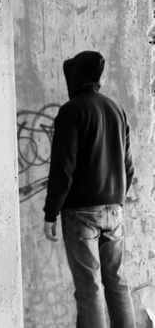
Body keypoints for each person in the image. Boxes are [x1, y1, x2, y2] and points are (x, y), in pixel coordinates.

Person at [43, 50, 136, 328]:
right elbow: (128, 166)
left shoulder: (71, 112)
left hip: (81, 214)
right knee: (117, 282)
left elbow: (63, 169)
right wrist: (116, 200)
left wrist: (51, 213)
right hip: (115, 211)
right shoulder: (116, 109)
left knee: (89, 287)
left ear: (74, 76)